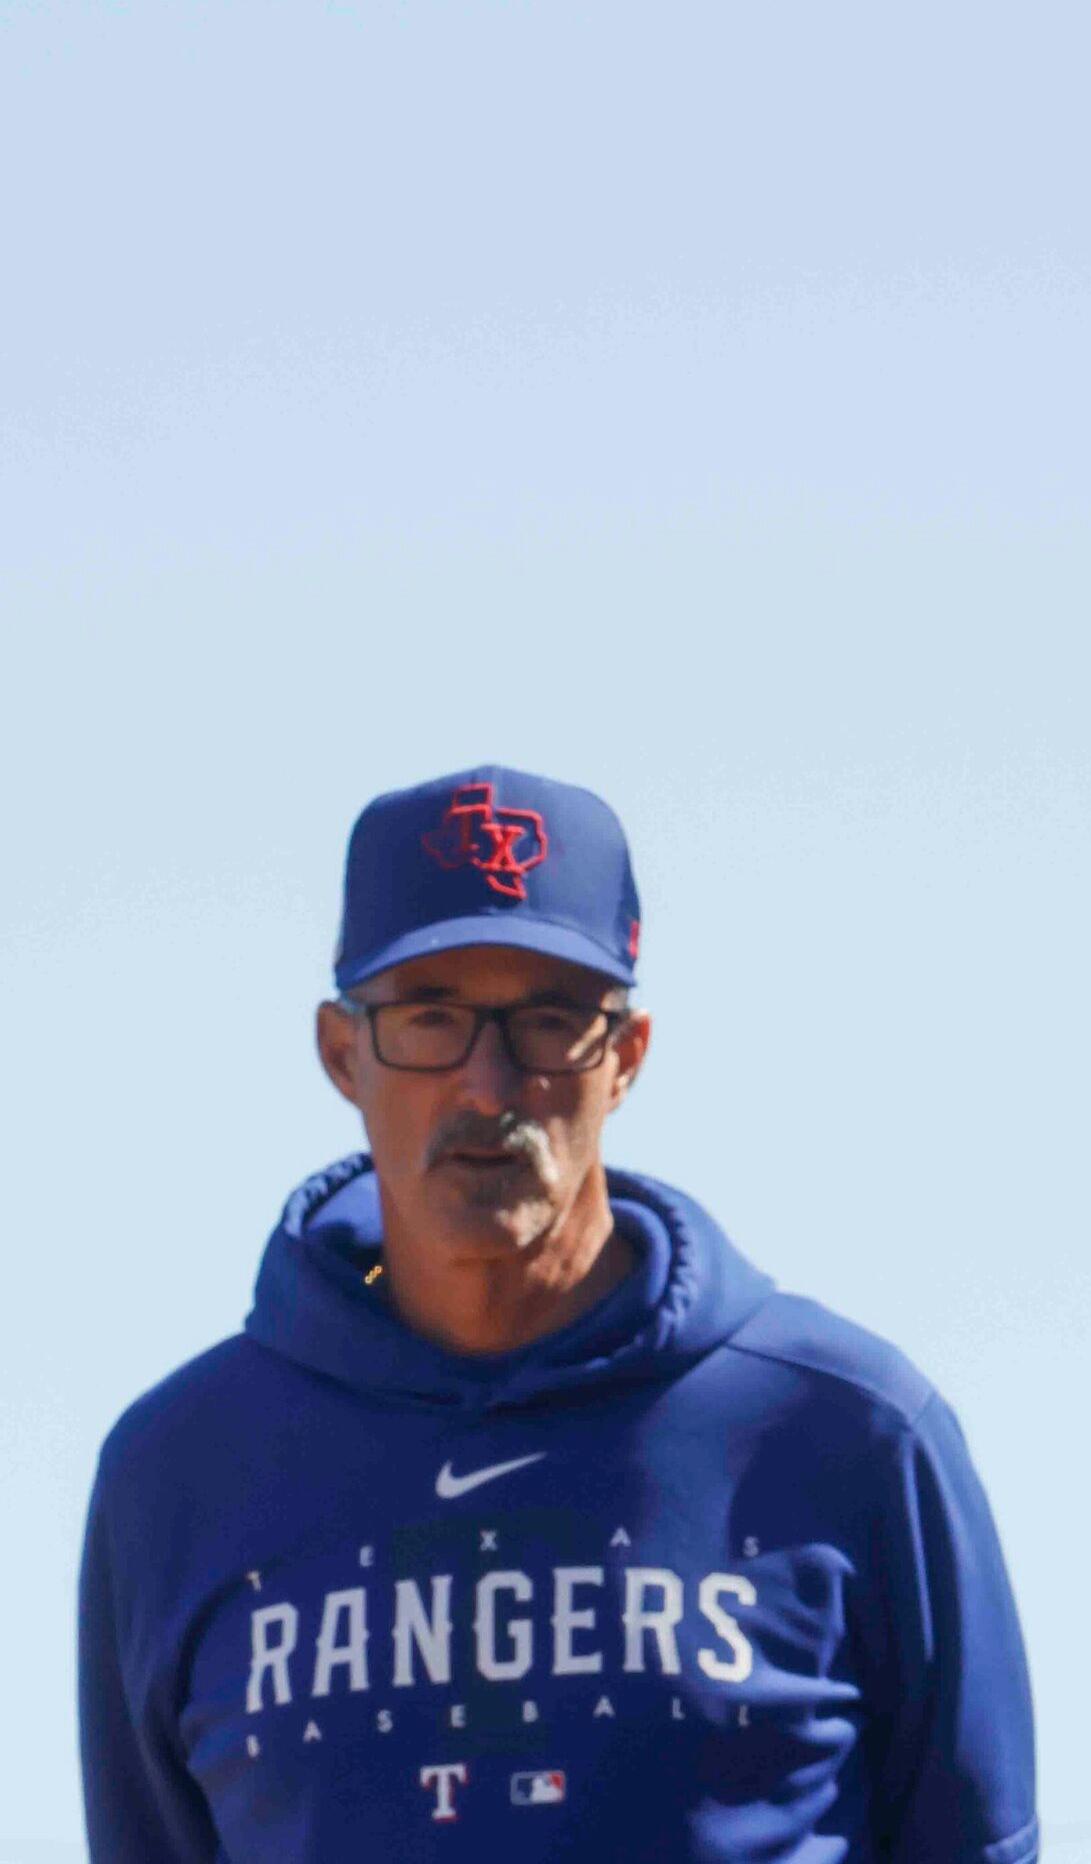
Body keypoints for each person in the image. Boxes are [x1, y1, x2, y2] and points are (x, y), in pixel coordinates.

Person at [79, 766, 1040, 1862]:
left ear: (624, 1055)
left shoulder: (853, 1433)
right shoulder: (181, 1469)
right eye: (430, 1017)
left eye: (547, 1020)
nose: (488, 1084)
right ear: (344, 1052)